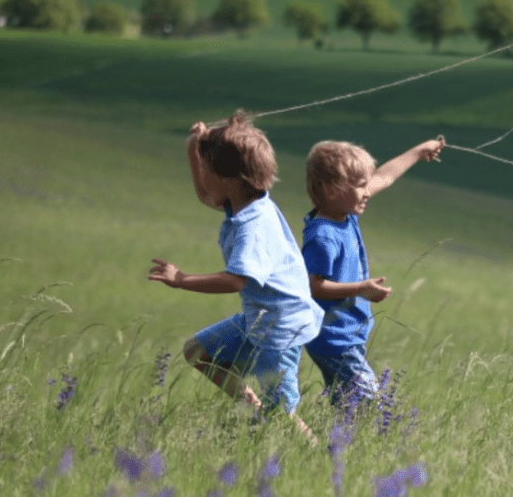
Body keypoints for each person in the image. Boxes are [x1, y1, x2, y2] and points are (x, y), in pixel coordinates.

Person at [148, 111, 322, 435]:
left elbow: (234, 280)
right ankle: (252, 409)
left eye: (207, 168)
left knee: (282, 415)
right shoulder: (245, 202)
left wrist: (181, 279)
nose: (204, 175)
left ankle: (324, 463)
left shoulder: (252, 226)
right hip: (258, 317)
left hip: (279, 328)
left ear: (228, 178)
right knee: (198, 352)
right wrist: (195, 150)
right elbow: (206, 195)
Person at [302, 137, 444, 404]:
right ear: (331, 190)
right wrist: (361, 289)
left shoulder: (345, 213)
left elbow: (385, 177)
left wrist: (418, 150)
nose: (368, 192)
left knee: (349, 407)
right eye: (360, 186)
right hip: (333, 339)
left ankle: (337, 444)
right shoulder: (323, 236)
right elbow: (312, 285)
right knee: (374, 407)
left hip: (346, 334)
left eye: (366, 185)